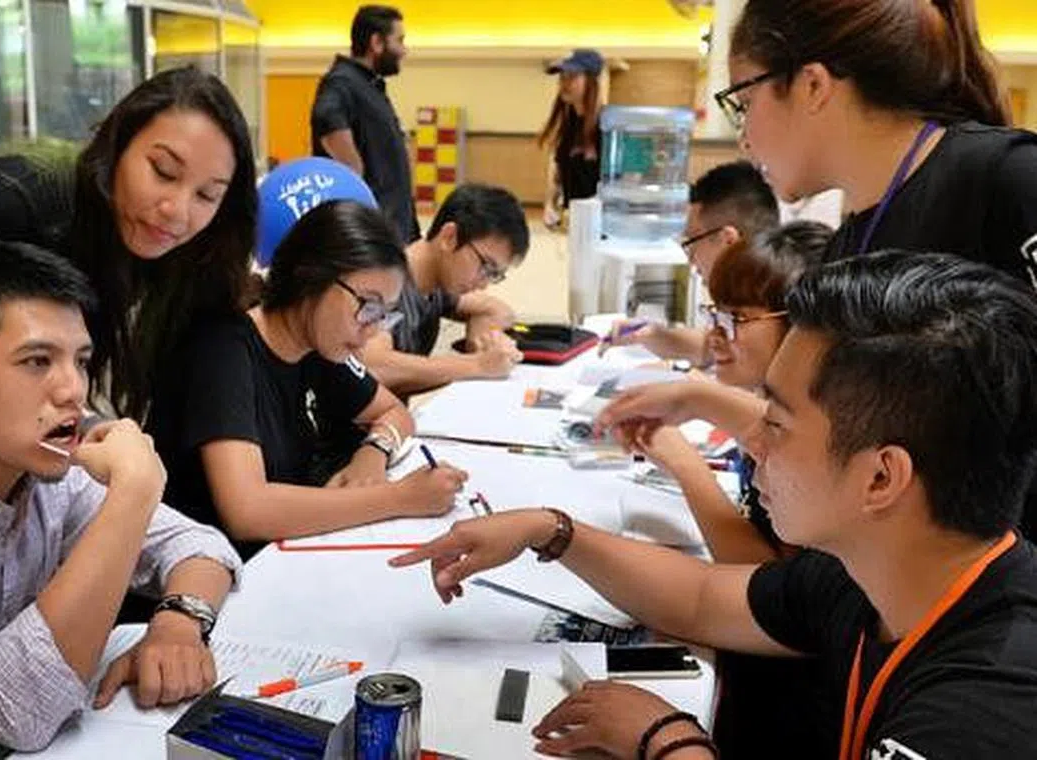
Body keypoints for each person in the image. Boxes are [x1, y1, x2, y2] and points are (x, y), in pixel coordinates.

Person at [392, 251, 1037, 759]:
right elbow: (700, 597)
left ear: (881, 478)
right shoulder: (881, 571)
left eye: (775, 423)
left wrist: (671, 741)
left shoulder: (981, 713)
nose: (753, 444)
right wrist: (550, 531)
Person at [0, 241, 241, 756]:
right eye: (37, 361)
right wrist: (133, 493)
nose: (73, 391)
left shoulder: (47, 470)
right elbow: (18, 709)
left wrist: (177, 622)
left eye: (80, 361)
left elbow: (201, 546)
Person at [0, 66, 257, 426]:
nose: (176, 211)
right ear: (117, 144)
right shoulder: (14, 202)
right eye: (163, 171)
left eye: (207, 195)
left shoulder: (188, 259)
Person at [149, 201, 466, 562]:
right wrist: (400, 498)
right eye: (368, 306)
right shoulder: (222, 348)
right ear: (309, 276)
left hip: (280, 557)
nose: (373, 329)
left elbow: (394, 412)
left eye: (384, 314)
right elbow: (247, 511)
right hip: (207, 572)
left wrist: (374, 451)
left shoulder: (316, 343)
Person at [722, 0, 1037, 282]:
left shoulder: (1012, 177)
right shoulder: (844, 250)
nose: (744, 139)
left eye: (745, 104)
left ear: (813, 86)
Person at [639, 220, 831, 565]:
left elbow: (770, 581)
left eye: (736, 319)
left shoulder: (812, 440)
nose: (714, 336)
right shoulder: (767, 406)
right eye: (715, 315)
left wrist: (686, 466)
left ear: (798, 324)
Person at [602, 160, 780, 365]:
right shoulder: (745, 299)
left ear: (728, 241)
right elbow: (708, 347)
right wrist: (650, 333)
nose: (690, 258)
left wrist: (693, 384)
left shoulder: (769, 319)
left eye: (692, 242)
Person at [362, 183, 531, 396]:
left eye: (494, 275)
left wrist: (485, 343)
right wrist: (478, 364)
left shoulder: (438, 285)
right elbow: (374, 366)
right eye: (485, 267)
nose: (484, 284)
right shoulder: (384, 281)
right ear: (449, 237)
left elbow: (497, 310)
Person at [311, 5, 418, 244]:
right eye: (399, 40)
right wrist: (353, 171)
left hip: (390, 230)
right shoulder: (342, 82)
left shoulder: (369, 85)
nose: (404, 50)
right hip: (371, 234)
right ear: (376, 42)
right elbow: (326, 117)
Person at [540, 49, 604, 230]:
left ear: (591, 81)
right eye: (562, 77)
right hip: (574, 223)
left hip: (599, 226)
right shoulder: (568, 125)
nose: (564, 83)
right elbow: (559, 170)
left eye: (573, 76)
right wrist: (550, 203)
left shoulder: (605, 125)